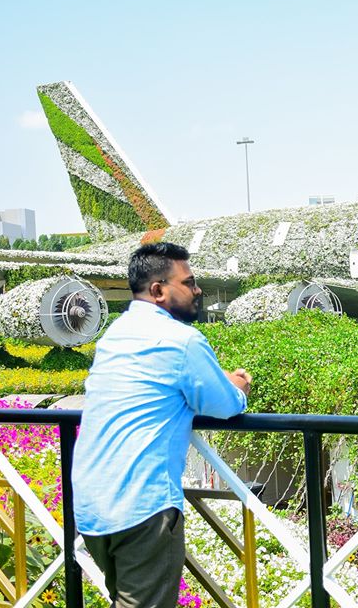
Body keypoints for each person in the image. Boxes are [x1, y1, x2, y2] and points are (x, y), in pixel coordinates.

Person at [72, 242, 250, 608]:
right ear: (158, 290)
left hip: (93, 505)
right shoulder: (181, 340)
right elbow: (224, 404)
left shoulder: (113, 336)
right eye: (189, 282)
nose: (198, 290)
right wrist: (238, 385)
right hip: (142, 507)